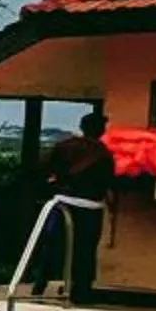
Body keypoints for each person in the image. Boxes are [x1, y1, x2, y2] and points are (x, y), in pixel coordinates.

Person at [34, 109, 113, 300]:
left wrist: (54, 182)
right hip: (91, 207)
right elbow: (108, 181)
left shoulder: (65, 146)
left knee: (51, 248)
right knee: (85, 251)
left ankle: (39, 287)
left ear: (81, 127)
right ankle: (81, 291)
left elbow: (44, 168)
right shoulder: (104, 153)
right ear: (102, 130)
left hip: (64, 203)